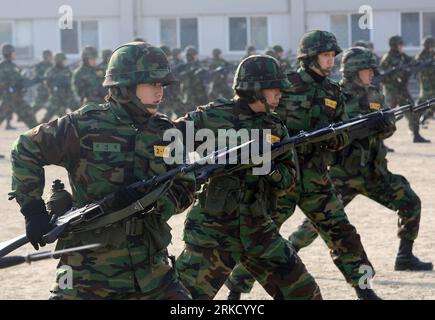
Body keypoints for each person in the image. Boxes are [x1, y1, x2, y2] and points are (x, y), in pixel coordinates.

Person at [9, 42, 196, 300]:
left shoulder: (166, 132)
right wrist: (32, 209)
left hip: (151, 270)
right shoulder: (83, 125)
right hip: (87, 269)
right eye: (152, 83)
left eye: (162, 85)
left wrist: (153, 204)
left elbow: (185, 184)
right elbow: (25, 147)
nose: (159, 91)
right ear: (125, 86)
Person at [226, 31, 381, 300]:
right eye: (325, 55)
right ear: (309, 57)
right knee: (263, 235)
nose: (331, 61)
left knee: (342, 233)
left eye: (333, 55)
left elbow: (344, 133)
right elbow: (260, 119)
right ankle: (236, 291)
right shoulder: (285, 85)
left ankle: (364, 289)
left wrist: (330, 137)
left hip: (316, 179)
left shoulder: (334, 91)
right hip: (282, 178)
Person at [175, 55, 322, 300]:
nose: (280, 95)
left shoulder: (275, 127)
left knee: (306, 295)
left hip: (259, 230)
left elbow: (289, 181)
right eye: (275, 89)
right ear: (255, 89)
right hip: (212, 232)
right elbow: (165, 142)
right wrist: (194, 172)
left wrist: (268, 166)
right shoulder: (211, 118)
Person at [289, 47, 433, 271]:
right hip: (342, 174)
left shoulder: (374, 93)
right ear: (354, 72)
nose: (372, 74)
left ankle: (405, 256)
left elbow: (387, 130)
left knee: (410, 201)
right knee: (316, 223)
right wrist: (363, 128)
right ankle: (287, 255)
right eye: (368, 70)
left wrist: (385, 125)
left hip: (374, 173)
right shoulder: (336, 95)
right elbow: (333, 134)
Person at [379, 36, 430, 143]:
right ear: (394, 45)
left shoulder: (402, 56)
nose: (402, 46)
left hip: (402, 90)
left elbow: (413, 62)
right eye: (400, 44)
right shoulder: (387, 58)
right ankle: (380, 141)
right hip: (391, 91)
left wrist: (416, 66)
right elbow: (382, 76)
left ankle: (416, 135)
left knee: (412, 112)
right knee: (386, 116)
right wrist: (395, 76)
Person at [0, 43, 38, 129]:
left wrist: (34, 80)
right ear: (9, 53)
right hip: (11, 99)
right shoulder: (6, 66)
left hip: (13, 99)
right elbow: (17, 82)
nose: (15, 54)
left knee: (31, 118)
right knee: (31, 119)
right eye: (14, 52)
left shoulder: (9, 66)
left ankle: (40, 139)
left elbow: (19, 81)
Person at [42, 53, 77, 123]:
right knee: (50, 115)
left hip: (68, 96)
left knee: (77, 110)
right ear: (59, 61)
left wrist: (67, 84)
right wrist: (55, 85)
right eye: (63, 60)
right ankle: (39, 129)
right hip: (56, 97)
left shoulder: (67, 70)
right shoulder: (51, 71)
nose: (65, 62)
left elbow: (72, 80)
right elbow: (46, 82)